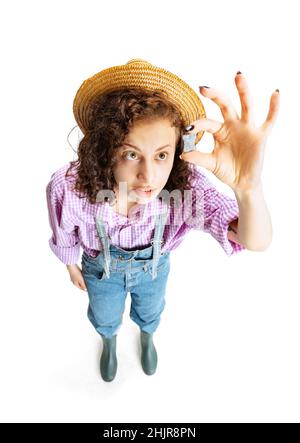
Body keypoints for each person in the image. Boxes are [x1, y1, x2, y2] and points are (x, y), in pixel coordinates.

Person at [46, 59, 280, 382]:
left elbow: (254, 240)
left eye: (161, 155)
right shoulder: (71, 186)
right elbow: (64, 232)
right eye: (131, 154)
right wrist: (71, 265)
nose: (149, 175)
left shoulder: (182, 188)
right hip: (100, 271)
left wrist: (249, 188)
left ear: (176, 150)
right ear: (105, 146)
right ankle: (109, 340)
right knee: (104, 315)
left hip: (153, 270)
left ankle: (147, 335)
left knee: (151, 310)